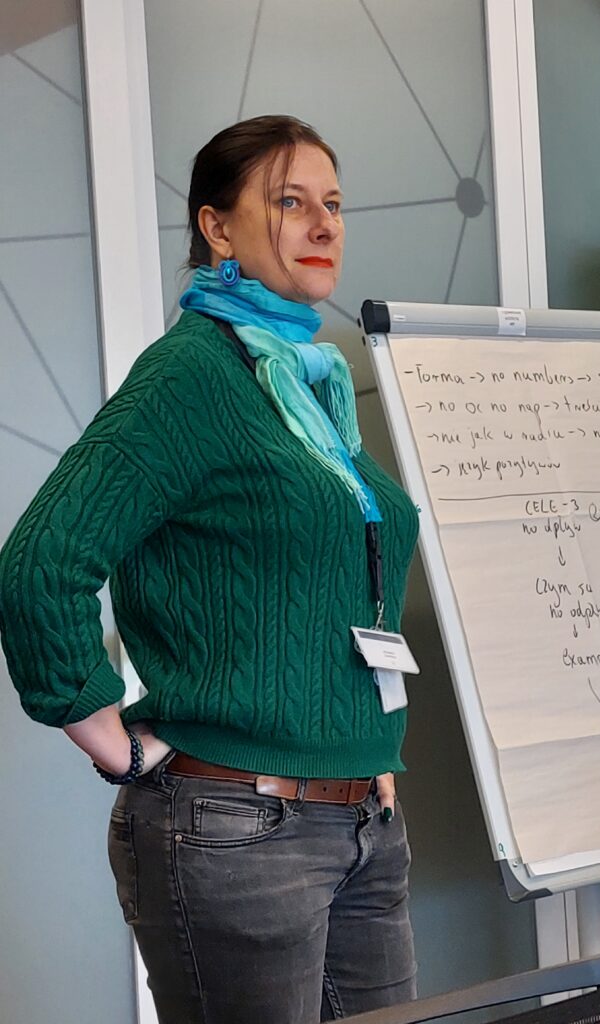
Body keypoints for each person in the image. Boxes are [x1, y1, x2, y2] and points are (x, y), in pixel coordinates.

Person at [0, 115, 420, 1024]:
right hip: (237, 831)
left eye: (334, 203)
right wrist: (114, 742)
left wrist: (359, 752)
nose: (324, 224)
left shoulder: (305, 382)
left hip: (362, 824)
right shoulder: (192, 375)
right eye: (291, 202)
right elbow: (40, 564)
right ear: (217, 228)